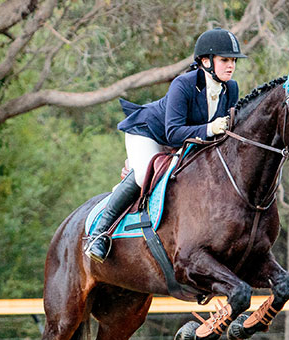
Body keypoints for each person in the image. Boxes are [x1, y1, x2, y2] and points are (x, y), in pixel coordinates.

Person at [84, 28, 246, 263]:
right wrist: (211, 128)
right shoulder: (184, 84)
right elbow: (173, 132)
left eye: (233, 60)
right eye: (224, 60)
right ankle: (99, 233)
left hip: (186, 139)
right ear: (205, 61)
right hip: (149, 133)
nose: (231, 65)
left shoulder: (231, 88)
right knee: (142, 176)